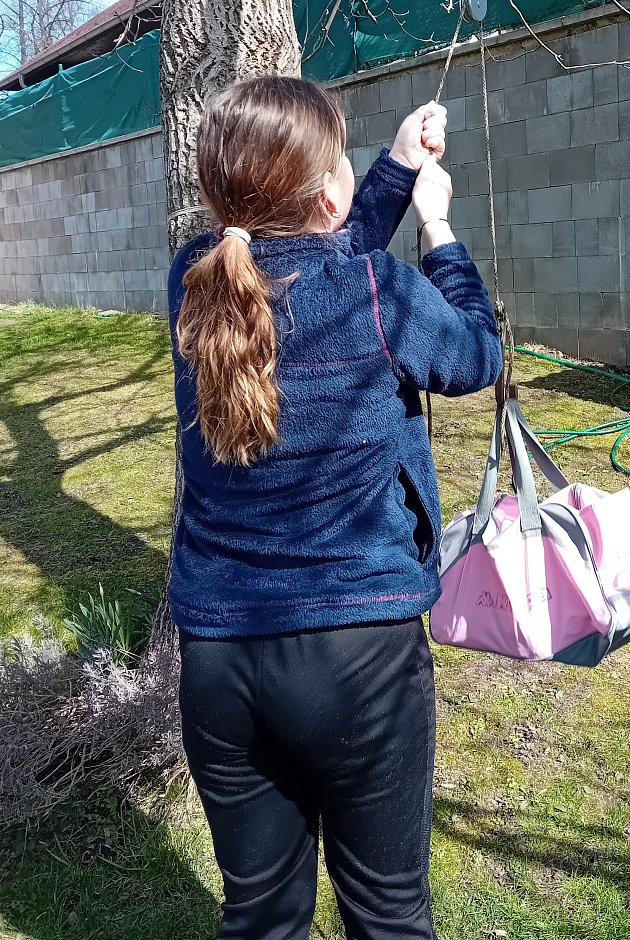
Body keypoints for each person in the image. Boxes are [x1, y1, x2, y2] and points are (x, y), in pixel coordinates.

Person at [167, 75, 502, 940]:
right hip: (359, 659)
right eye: (345, 161)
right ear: (327, 194)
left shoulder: (195, 286)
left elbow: (312, 265)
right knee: (387, 914)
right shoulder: (382, 292)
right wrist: (437, 230)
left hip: (219, 661)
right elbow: (475, 355)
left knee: (260, 917)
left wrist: (392, 166)